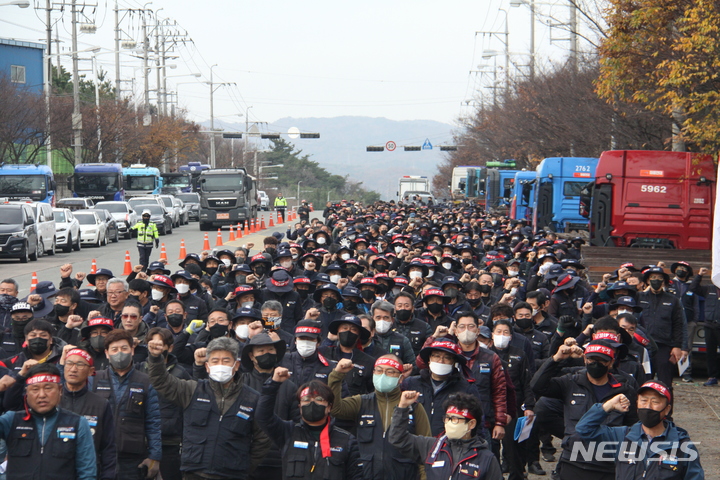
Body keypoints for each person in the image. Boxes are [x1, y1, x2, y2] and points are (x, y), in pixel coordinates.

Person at [146, 336, 271, 479]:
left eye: (226, 361)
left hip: (232, 474)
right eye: (215, 361)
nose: (220, 365)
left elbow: (263, 438)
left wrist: (244, 465)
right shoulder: (193, 389)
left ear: (236, 365)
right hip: (194, 472)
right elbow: (162, 382)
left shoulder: (252, 398)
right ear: (207, 366)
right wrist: (155, 358)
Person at [531, 339, 639, 480]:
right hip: (574, 461)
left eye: (602, 360)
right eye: (591, 359)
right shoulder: (570, 383)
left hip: (608, 464)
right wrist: (556, 359)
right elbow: (537, 386)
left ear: (611, 363)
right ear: (584, 359)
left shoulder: (624, 391)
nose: (595, 364)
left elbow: (634, 428)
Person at [329, 355, 432, 480]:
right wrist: (337, 375)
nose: (383, 375)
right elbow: (335, 409)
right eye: (379, 370)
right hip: (366, 474)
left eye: (390, 372)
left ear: (400, 378)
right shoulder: (361, 402)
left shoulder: (413, 407)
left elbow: (426, 450)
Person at [576, 381, 704, 479]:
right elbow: (584, 429)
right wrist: (607, 406)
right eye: (643, 401)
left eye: (655, 402)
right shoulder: (622, 436)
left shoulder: (683, 446)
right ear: (636, 404)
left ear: (666, 409)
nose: (648, 406)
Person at [256, 372, 363, 480]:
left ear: (329, 407)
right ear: (300, 407)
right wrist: (273, 385)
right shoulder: (288, 432)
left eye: (319, 399)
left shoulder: (347, 440)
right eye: (306, 400)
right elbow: (263, 417)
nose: (312, 403)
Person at [0, 363, 97, 479]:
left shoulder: (78, 423)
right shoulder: (12, 420)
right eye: (35, 389)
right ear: (26, 393)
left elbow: (87, 473)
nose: (42, 395)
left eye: (48, 388)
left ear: (60, 390)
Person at [91, 329, 162, 480]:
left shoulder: (146, 382)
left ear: (132, 350)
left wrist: (155, 457)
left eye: (124, 348)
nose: (119, 353)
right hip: (98, 456)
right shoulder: (94, 379)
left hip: (132, 459)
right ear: (107, 353)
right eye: (114, 349)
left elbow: (153, 422)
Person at [388, 391, 503, 480]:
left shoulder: (486, 458)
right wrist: (402, 407)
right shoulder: (432, 446)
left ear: (471, 424)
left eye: (455, 419)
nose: (448, 422)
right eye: (447, 418)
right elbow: (398, 439)